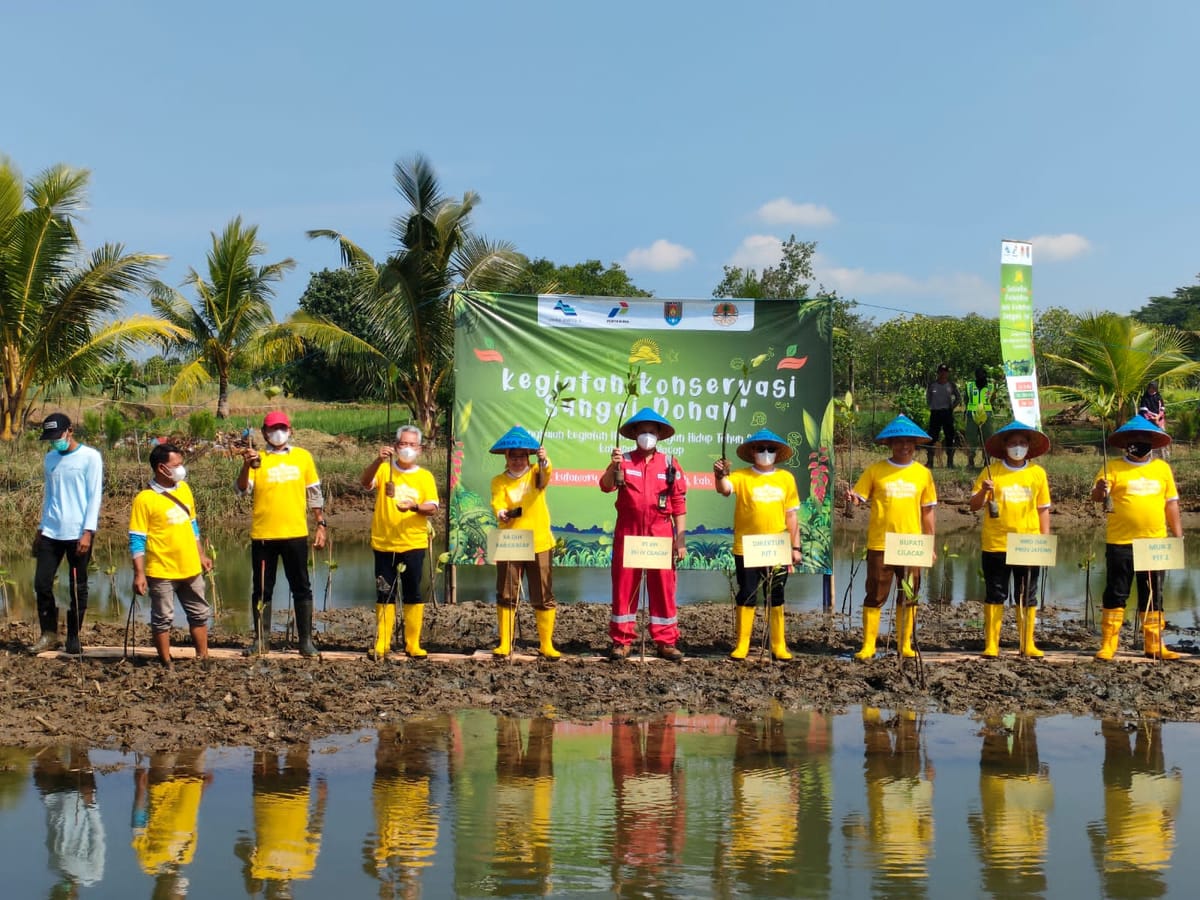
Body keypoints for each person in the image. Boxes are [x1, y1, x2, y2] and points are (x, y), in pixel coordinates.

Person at [1090, 415, 1183, 660]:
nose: (1139, 442)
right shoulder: (1113, 467)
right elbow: (1097, 497)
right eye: (1134, 438)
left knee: (1153, 593)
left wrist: (1178, 535)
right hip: (1121, 542)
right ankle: (1109, 644)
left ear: (1152, 441)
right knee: (1116, 592)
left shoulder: (1162, 468)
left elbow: (1171, 503)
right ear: (1125, 443)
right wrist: (1100, 489)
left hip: (1155, 543)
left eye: (1144, 438)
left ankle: (1154, 644)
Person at [845, 415, 937, 660]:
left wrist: (930, 544)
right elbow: (859, 497)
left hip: (912, 544)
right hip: (881, 543)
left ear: (915, 444)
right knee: (875, 594)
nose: (903, 446)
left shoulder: (923, 474)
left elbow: (928, 511)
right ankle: (869, 645)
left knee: (909, 594)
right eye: (898, 441)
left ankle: (904, 644)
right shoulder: (875, 470)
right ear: (889, 444)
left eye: (908, 442)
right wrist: (852, 499)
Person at [599, 408, 687, 662]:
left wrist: (680, 540)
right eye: (642, 431)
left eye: (651, 431)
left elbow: (679, 502)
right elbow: (605, 486)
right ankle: (622, 641)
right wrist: (613, 465)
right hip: (628, 533)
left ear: (659, 435)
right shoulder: (623, 460)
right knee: (625, 587)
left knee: (663, 587)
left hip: (661, 533)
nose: (647, 435)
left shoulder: (670, 463)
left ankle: (666, 641)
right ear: (634, 434)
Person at [238, 411, 327, 657]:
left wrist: (321, 524)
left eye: (282, 428)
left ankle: (306, 641)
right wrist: (246, 465)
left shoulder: (303, 457)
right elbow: (242, 490)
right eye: (272, 429)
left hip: (295, 533)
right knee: (262, 589)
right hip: (264, 535)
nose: (278, 433)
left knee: (301, 586)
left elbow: (314, 493)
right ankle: (261, 640)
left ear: (290, 431)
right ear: (264, 433)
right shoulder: (257, 459)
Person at [713, 428, 802, 660]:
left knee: (776, 593)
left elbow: (791, 515)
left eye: (770, 449)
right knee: (747, 593)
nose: (765, 452)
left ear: (777, 452)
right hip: (748, 547)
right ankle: (742, 644)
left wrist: (796, 547)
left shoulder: (786, 478)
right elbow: (724, 489)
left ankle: (779, 645)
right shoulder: (741, 476)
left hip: (777, 546)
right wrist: (719, 475)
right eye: (760, 448)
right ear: (752, 451)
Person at [968, 421, 1052, 658]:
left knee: (1027, 594)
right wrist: (984, 491)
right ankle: (991, 644)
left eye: (1022, 443)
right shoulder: (991, 472)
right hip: (996, 542)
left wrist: (1045, 541)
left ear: (1029, 446)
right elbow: (973, 505)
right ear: (1004, 446)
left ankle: (1027, 643)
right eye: (1013, 443)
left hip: (1028, 544)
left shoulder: (1037, 473)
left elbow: (1043, 509)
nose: (1018, 447)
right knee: (996, 593)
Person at [129, 442, 214, 668]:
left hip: (190, 567)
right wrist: (139, 573)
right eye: (176, 465)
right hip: (161, 570)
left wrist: (201, 554)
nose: (180, 469)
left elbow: (192, 525)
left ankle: (203, 657)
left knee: (199, 613)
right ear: (161, 468)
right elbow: (137, 539)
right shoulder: (144, 499)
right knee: (163, 618)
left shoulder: (184, 489)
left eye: (181, 464)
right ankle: (166, 661)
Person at [360, 425, 440, 659]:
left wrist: (414, 507)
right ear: (395, 446)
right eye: (403, 444)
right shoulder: (384, 469)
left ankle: (413, 643)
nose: (407, 448)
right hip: (384, 543)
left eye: (412, 445)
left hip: (413, 543)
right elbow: (365, 482)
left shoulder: (425, 476)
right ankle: (382, 642)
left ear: (420, 449)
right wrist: (378, 460)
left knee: (413, 592)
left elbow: (433, 507)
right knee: (384, 592)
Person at [31, 412, 103, 656]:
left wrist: (88, 532)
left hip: (78, 532)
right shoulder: (50, 458)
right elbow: (50, 496)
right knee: (41, 583)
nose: (55, 442)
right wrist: (41, 527)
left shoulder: (90, 457)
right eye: (50, 439)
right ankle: (49, 634)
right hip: (51, 531)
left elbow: (94, 497)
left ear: (70, 431)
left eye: (57, 437)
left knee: (77, 587)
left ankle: (73, 635)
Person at [489, 426, 560, 658]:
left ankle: (546, 644)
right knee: (506, 592)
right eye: (513, 456)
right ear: (506, 457)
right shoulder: (498, 481)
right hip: (510, 540)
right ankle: (505, 643)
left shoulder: (535, 473)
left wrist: (544, 460)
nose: (518, 461)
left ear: (528, 457)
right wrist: (501, 512)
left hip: (539, 540)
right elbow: (497, 502)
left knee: (543, 593)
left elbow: (546, 474)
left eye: (522, 456)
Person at [925, 363, 961, 468]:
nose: (943, 374)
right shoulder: (932, 385)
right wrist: (932, 406)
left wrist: (951, 408)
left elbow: (958, 398)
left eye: (945, 372)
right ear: (938, 372)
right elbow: (928, 398)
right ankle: (930, 461)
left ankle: (950, 462)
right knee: (932, 437)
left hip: (947, 413)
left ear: (948, 373)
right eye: (941, 372)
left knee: (949, 436)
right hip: (935, 413)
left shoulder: (951, 385)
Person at [963, 367, 995, 468]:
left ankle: (987, 460)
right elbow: (966, 399)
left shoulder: (991, 386)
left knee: (987, 437)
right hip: (972, 414)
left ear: (985, 376)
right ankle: (971, 460)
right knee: (971, 437)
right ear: (976, 376)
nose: (981, 377)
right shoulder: (969, 385)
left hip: (986, 415)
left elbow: (993, 399)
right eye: (979, 375)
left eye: (982, 375)